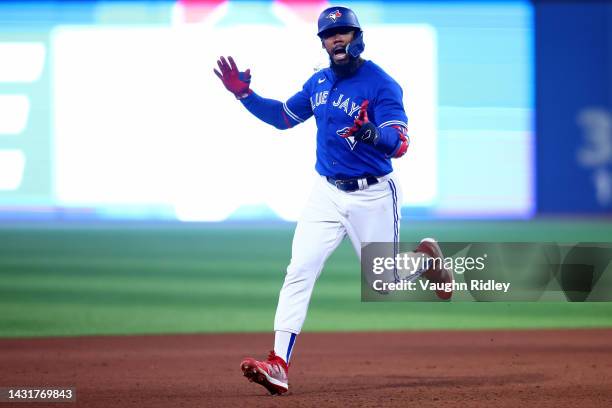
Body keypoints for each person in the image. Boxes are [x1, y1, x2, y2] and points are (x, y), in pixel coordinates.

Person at [214, 5, 452, 395]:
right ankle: (278, 364)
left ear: (358, 37)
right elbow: (283, 117)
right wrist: (245, 95)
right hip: (326, 193)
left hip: (373, 194)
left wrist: (374, 134)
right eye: (328, 34)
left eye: (342, 32)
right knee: (298, 270)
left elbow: (401, 142)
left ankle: (426, 260)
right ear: (323, 42)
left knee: (384, 282)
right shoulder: (319, 83)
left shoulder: (381, 84)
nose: (335, 38)